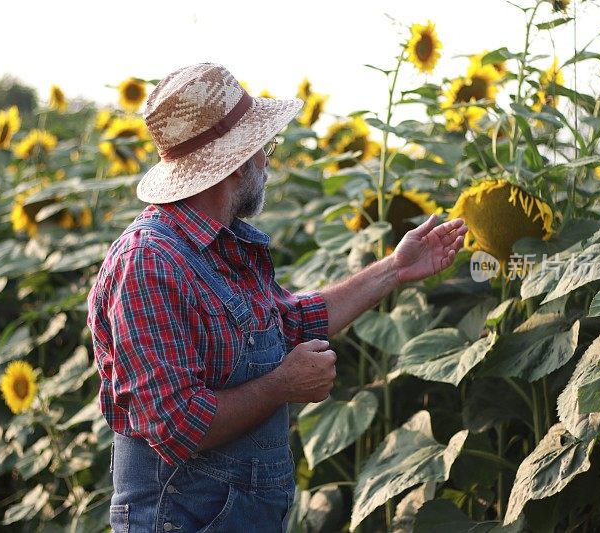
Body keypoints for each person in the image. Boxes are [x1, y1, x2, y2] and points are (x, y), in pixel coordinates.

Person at [86, 62, 467, 533]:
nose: (267, 160)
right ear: (236, 163)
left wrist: (395, 268)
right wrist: (281, 385)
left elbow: (288, 323)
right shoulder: (149, 262)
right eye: (262, 147)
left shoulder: (222, 243)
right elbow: (177, 426)